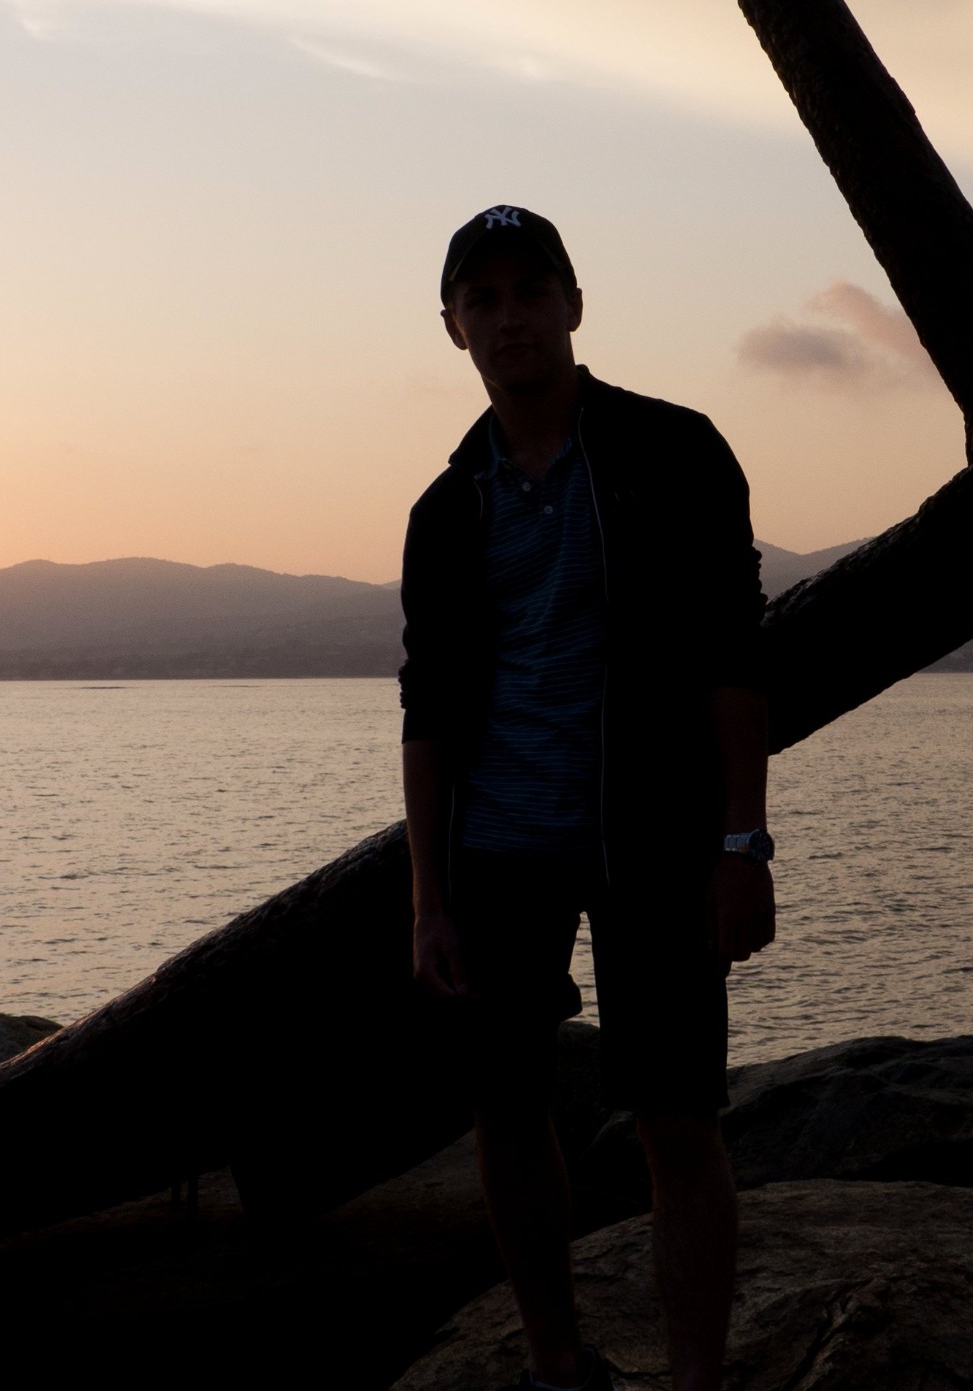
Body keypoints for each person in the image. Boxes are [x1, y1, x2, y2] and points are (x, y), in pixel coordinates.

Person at [398, 205, 776, 1391]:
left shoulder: (676, 453)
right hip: (501, 848)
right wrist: (429, 899)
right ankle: (560, 1365)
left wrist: (742, 842)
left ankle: (696, 1380)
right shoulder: (447, 511)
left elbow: (731, 657)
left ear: (573, 304)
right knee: (509, 1113)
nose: (510, 317)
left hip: (652, 839)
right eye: (484, 299)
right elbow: (429, 711)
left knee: (677, 1118)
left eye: (531, 290)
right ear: (454, 327)